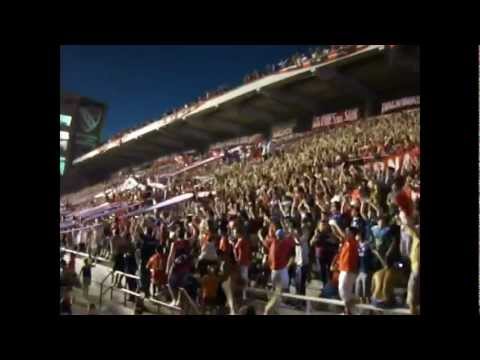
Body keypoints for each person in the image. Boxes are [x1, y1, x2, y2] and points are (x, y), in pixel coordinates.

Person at [330, 222, 359, 315]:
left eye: (347, 231)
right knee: (343, 291)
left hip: (349, 270)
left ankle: (351, 307)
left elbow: (341, 234)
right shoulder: (346, 242)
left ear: (352, 234)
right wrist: (332, 226)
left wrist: (335, 224)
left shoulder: (353, 242)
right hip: (343, 269)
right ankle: (348, 311)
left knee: (343, 290)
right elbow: (337, 234)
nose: (345, 233)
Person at [257, 226, 294, 293]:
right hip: (279, 269)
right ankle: (281, 301)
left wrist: (260, 236)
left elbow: (264, 242)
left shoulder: (275, 241)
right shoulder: (284, 242)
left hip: (279, 269)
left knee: (281, 288)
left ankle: (282, 300)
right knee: (280, 287)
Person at [404, 221, 420, 315]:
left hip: (417, 269)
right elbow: (409, 229)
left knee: (412, 298)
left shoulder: (417, 233)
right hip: (414, 267)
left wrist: (404, 216)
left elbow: (412, 229)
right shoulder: (415, 234)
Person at [355, 231, 373, 304]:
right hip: (359, 270)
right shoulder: (357, 245)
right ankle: (363, 309)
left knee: (367, 292)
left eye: (357, 235)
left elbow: (371, 255)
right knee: (359, 292)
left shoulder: (367, 245)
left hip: (366, 270)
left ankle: (370, 311)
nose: (356, 237)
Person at [233, 226, 251, 299]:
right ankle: (243, 294)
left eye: (235, 232)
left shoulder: (241, 240)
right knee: (243, 278)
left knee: (243, 278)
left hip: (242, 262)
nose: (234, 234)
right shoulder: (241, 240)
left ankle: (244, 295)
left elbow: (236, 250)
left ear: (238, 233)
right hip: (243, 261)